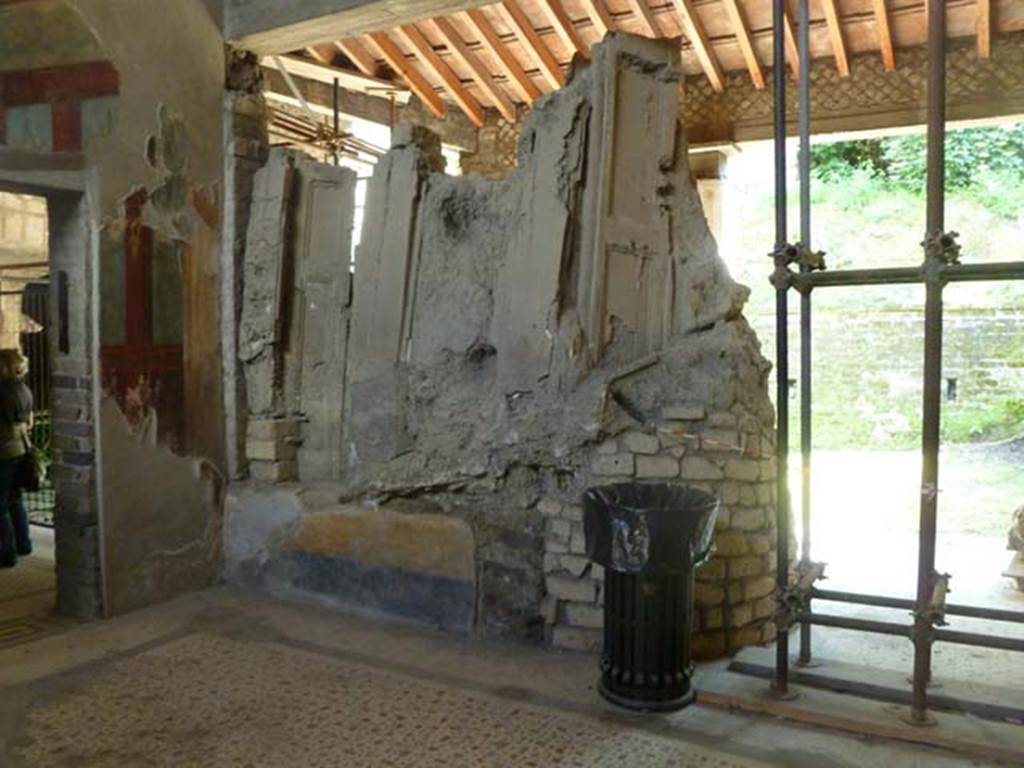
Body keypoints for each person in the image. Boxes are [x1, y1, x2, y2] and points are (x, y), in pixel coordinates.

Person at [0, 349, 33, 568]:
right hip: (20, 448)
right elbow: (29, 422)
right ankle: (24, 544)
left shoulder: (1, 390)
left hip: (3, 451)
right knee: (15, 499)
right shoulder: (23, 389)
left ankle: (7, 553)